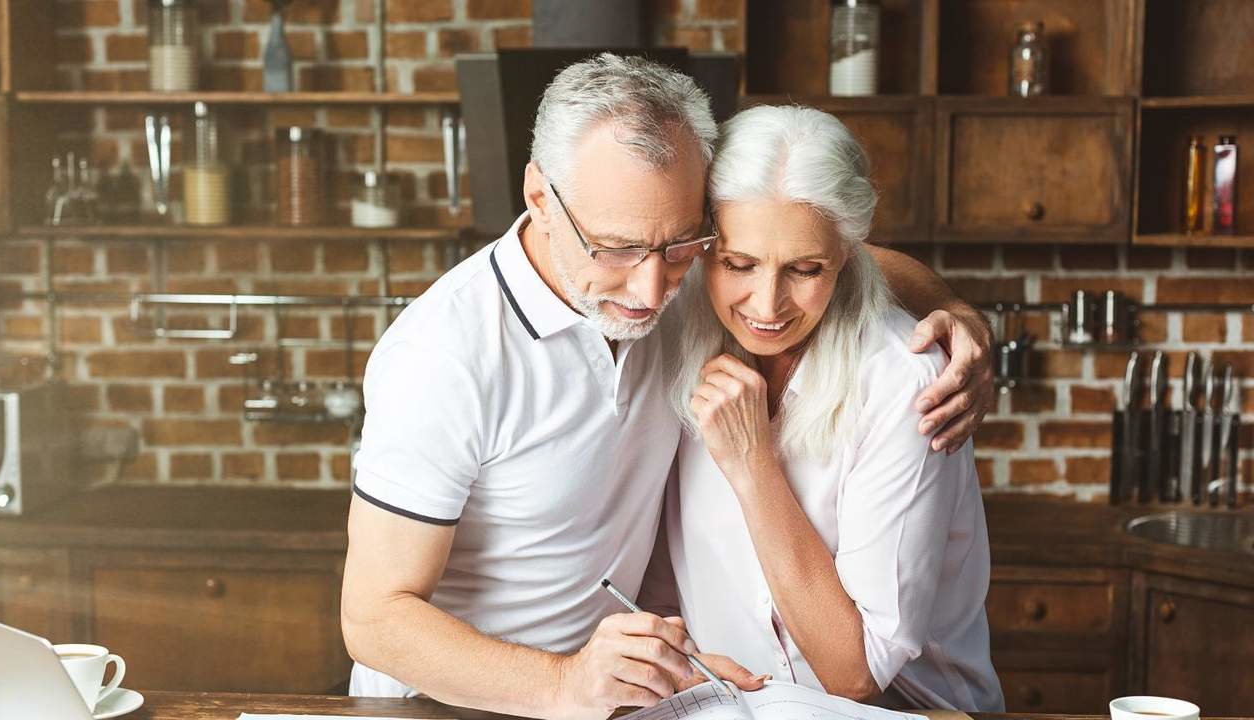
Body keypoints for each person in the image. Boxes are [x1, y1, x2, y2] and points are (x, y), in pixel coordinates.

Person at [340, 53, 995, 720]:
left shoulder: (684, 289)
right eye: (617, 248)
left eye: (682, 246)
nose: (651, 289)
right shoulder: (444, 353)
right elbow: (373, 619)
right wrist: (566, 684)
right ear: (540, 198)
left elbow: (810, 243)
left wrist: (961, 313)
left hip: (617, 704)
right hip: (446, 705)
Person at [651, 104, 1004, 712]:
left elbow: (855, 674)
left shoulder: (905, 380)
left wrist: (752, 463)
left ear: (846, 252)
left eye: (805, 269)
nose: (766, 303)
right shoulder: (673, 319)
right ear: (705, 247)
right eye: (738, 263)